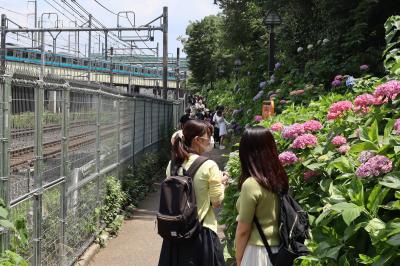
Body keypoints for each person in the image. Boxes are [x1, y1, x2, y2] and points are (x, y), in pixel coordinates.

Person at [159, 119, 228, 266]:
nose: (210, 140)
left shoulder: (172, 164)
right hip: (201, 233)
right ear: (197, 140)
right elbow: (216, 202)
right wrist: (222, 184)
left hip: (175, 233)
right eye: (207, 137)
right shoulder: (209, 165)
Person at [235, 126, 289, 266]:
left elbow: (243, 230)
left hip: (257, 253)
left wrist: (239, 258)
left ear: (246, 152)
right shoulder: (279, 178)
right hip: (280, 251)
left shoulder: (251, 184)